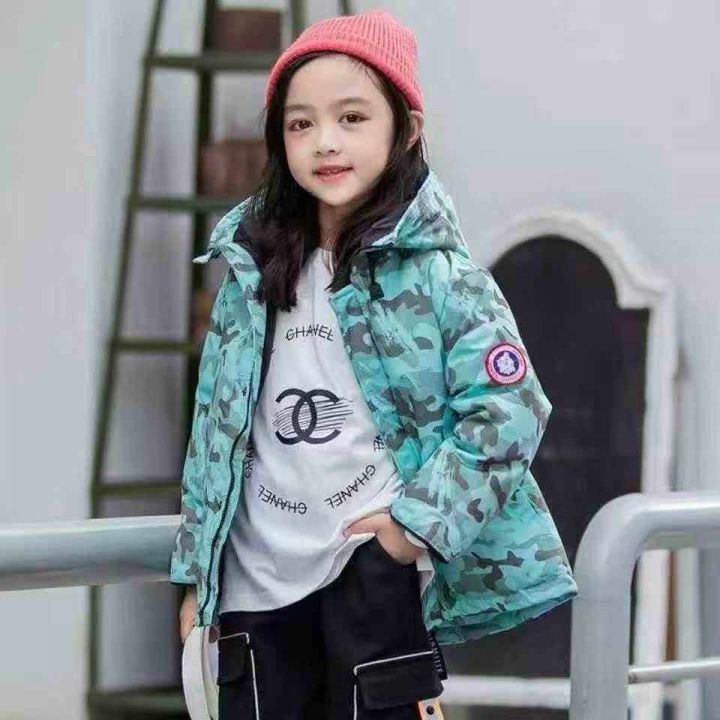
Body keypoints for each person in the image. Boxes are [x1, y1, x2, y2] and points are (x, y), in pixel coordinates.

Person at [170, 9, 578, 720]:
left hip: (369, 575)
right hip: (251, 585)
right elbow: (213, 431)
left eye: (352, 118)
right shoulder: (249, 276)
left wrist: (413, 528)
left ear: (406, 129)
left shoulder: (445, 279)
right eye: (300, 124)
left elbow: (509, 410)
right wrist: (197, 577)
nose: (325, 142)